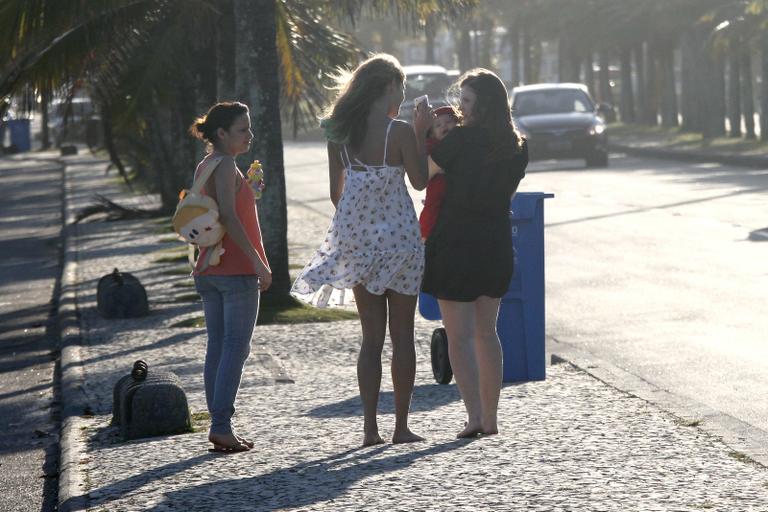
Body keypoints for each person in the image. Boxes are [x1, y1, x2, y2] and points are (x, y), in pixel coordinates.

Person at [291, 54, 430, 446]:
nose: (402, 96)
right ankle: (401, 427)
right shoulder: (399, 131)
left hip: (358, 241)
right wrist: (420, 133)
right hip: (401, 241)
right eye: (400, 88)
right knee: (403, 336)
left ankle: (370, 429)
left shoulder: (339, 134)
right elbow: (419, 182)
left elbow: (337, 195)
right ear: (388, 85)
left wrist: (360, 218)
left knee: (371, 338)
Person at [419, 69, 528, 439]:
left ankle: (475, 417)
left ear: (482, 105)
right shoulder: (517, 145)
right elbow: (509, 197)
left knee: (459, 336)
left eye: (465, 101)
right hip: (495, 240)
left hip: (454, 241)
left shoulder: (460, 140)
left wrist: (422, 132)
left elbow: (423, 175)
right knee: (487, 333)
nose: (459, 108)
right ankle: (492, 419)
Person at [188, 101, 272, 453]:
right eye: (242, 130)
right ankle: (221, 426)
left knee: (219, 347)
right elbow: (229, 218)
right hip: (234, 269)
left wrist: (248, 193)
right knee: (235, 348)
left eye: (249, 128)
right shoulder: (224, 165)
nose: (249, 136)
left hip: (208, 266)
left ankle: (219, 423)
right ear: (221, 133)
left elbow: (222, 210)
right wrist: (257, 262)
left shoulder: (206, 164)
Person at [418, 105, 460, 240]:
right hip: (437, 186)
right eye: (438, 125)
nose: (444, 126)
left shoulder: (463, 143)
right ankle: (425, 235)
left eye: (448, 122)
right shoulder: (432, 146)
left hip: (456, 192)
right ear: (432, 133)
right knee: (431, 208)